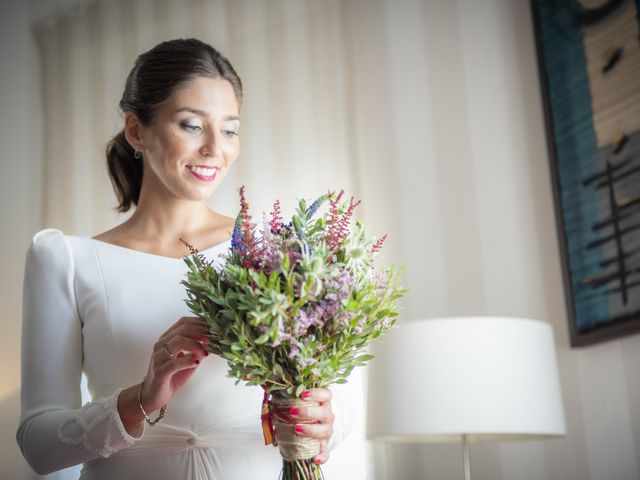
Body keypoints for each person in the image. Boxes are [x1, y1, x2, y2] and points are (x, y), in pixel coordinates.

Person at [16, 38, 354, 479]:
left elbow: (338, 412)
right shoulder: (66, 259)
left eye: (230, 129)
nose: (216, 148)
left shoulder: (284, 252)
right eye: (192, 125)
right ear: (137, 131)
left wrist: (324, 420)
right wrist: (141, 398)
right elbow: (39, 446)